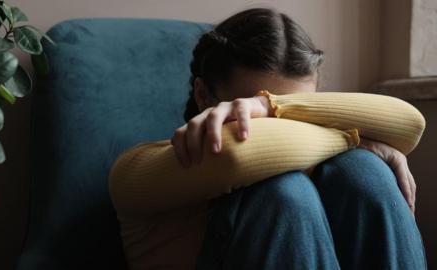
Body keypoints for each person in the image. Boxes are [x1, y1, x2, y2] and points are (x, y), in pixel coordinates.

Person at [109, 8, 427, 269]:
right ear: (204, 95)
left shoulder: (314, 159)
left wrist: (266, 106)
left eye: (296, 110)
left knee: (361, 170)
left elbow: (410, 121)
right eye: (257, 112)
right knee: (282, 190)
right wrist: (353, 137)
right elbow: (236, 156)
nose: (277, 119)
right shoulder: (138, 170)